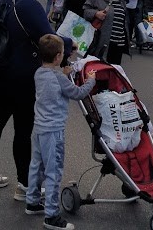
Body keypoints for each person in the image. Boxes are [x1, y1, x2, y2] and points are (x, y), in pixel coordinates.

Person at [0, 0, 73, 202]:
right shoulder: (31, 6)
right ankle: (24, 184)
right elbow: (48, 39)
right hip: (21, 76)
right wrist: (71, 44)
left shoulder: (6, 0)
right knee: (23, 129)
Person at [25, 34, 95, 230]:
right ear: (57, 57)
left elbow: (54, 83)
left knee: (36, 166)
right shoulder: (58, 77)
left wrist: (64, 73)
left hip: (39, 128)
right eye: (63, 53)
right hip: (54, 131)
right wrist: (91, 81)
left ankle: (32, 200)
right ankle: (52, 216)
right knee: (53, 172)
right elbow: (78, 93)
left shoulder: (39, 72)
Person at [83, 0, 129, 64]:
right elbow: (85, 11)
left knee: (114, 74)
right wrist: (96, 13)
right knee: (101, 73)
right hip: (103, 42)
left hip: (119, 44)